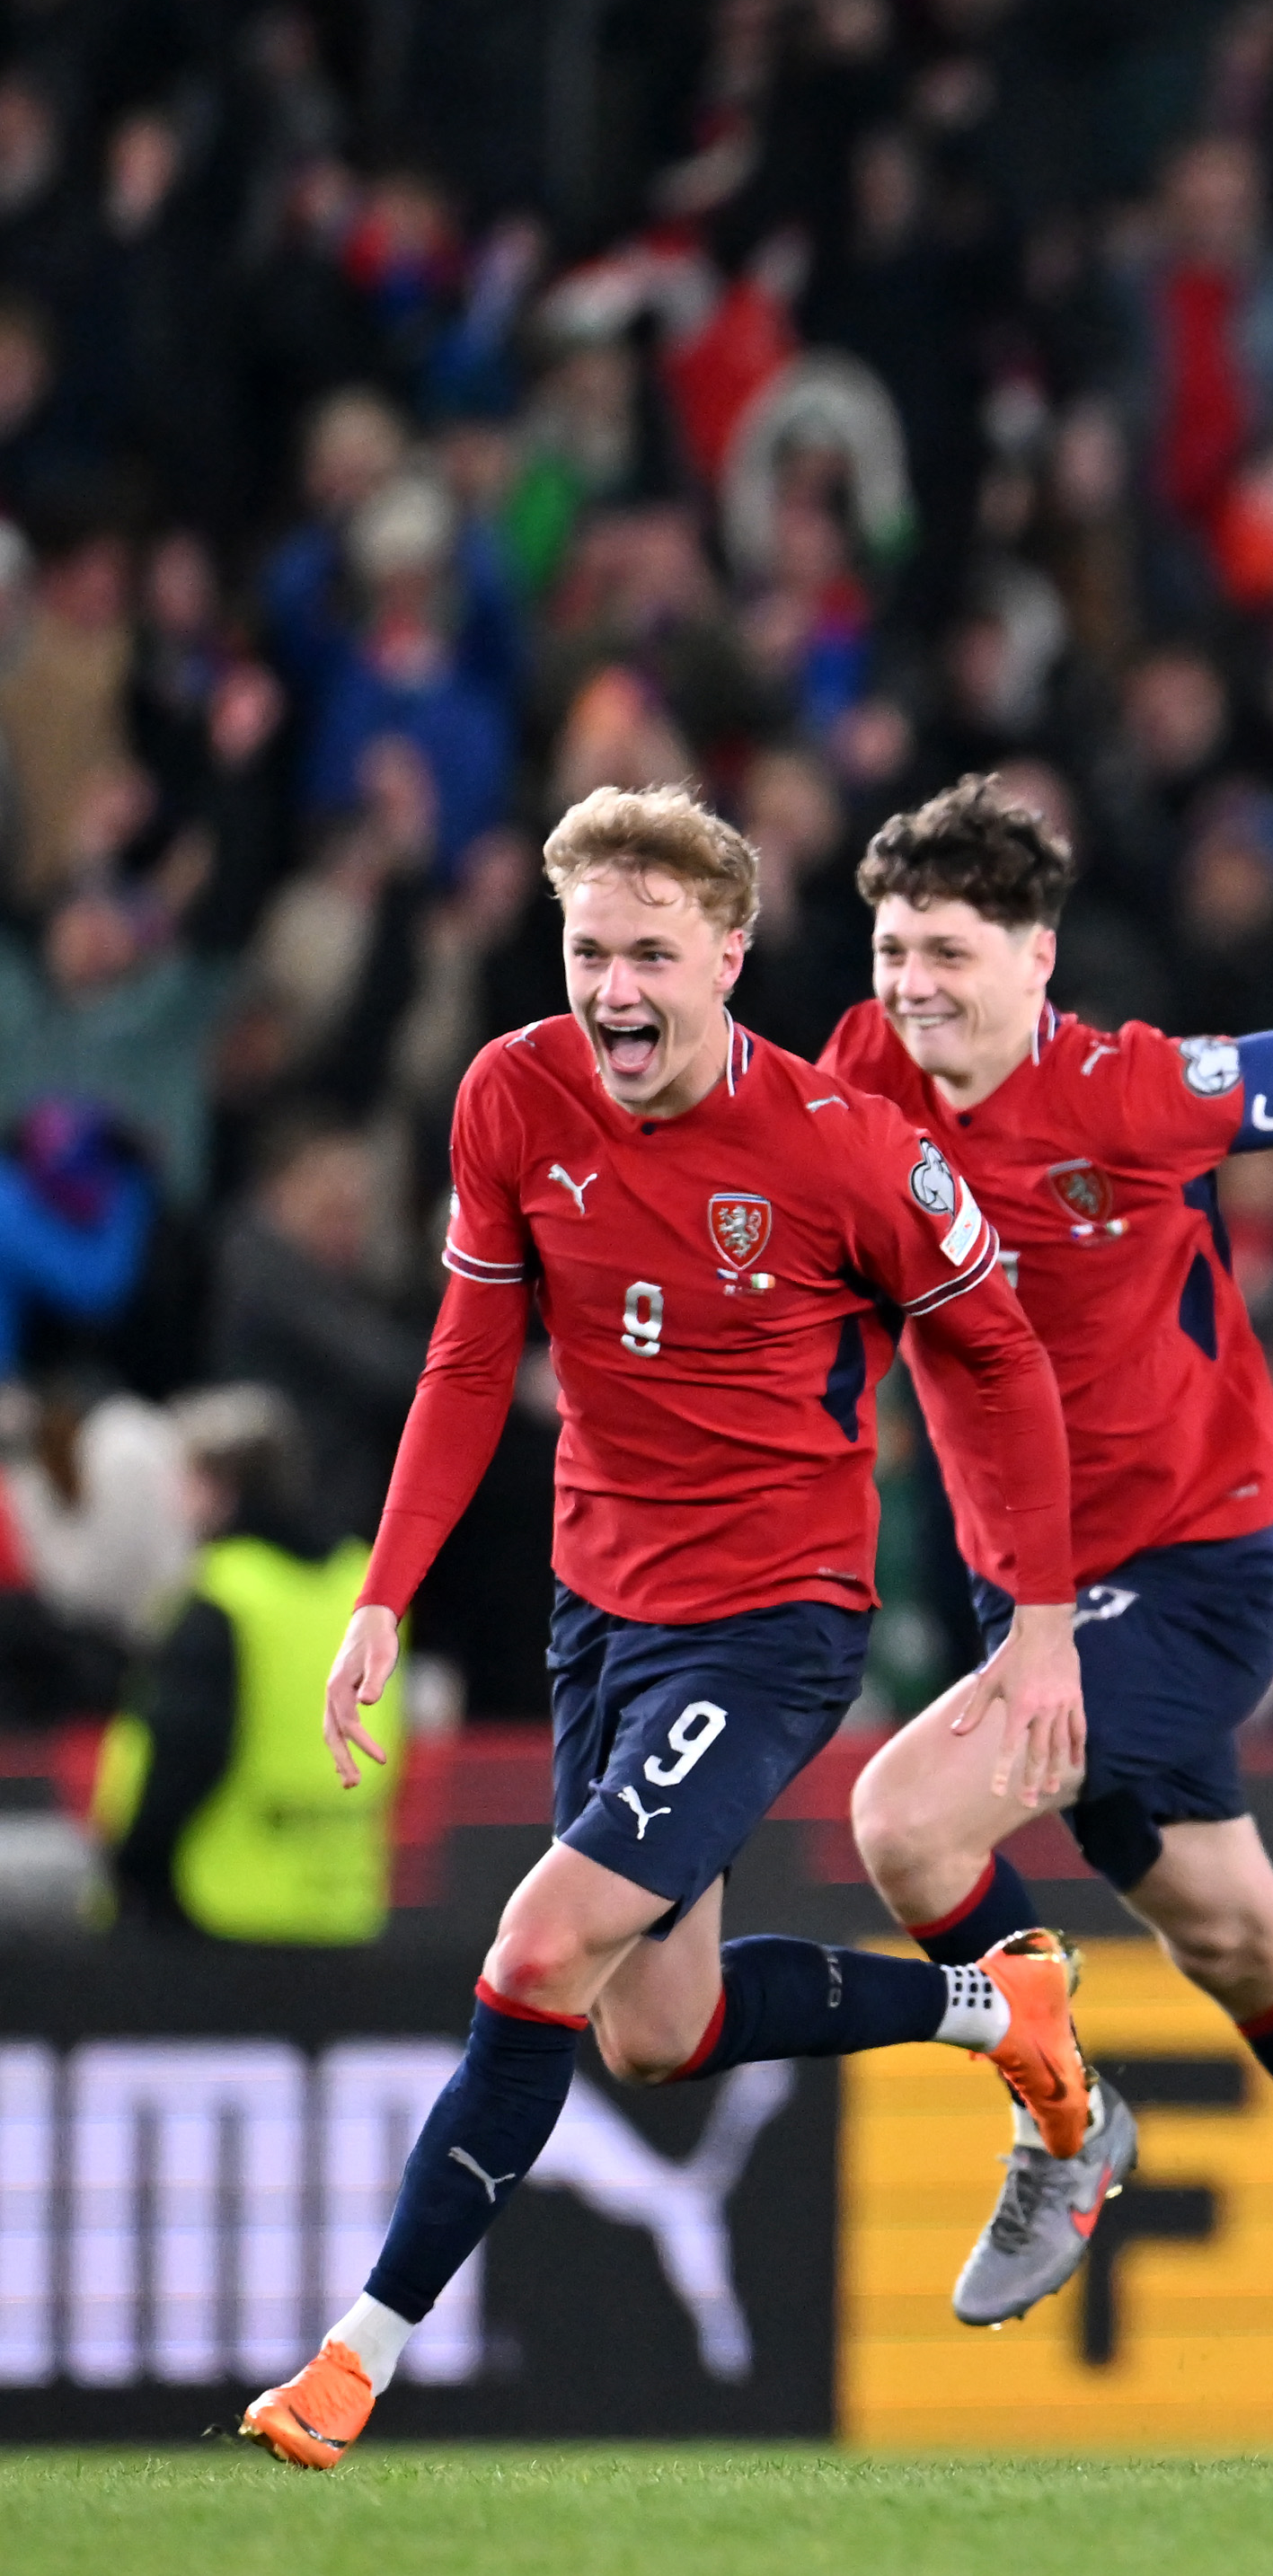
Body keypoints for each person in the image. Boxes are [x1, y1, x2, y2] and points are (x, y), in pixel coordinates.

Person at [240, 786, 1096, 2471]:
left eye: (647, 953)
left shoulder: (849, 1151)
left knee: (540, 1948)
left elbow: (1000, 1358)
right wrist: (383, 1595)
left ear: (728, 954)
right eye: (585, 952)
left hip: (772, 1622)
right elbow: (469, 1361)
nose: (612, 991)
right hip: (599, 1614)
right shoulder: (512, 1095)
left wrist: (1045, 1618)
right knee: (654, 2029)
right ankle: (1005, 2012)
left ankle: (353, 2357)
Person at [819, 774, 1273, 2457]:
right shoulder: (857, 1081)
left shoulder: (1140, 1091)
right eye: (888, 949)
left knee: (905, 1823)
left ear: (1036, 959)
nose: (911, 984)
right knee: (1235, 1935)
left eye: (946, 950)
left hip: (1187, 1575)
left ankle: (1065, 2122)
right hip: (1019, 1580)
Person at [98, 1389, 392, 1943]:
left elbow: (185, 1750)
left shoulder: (221, 1597)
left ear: (216, 1489)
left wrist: (131, 1866)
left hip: (214, 1902)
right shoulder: (365, 1583)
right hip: (341, 1897)